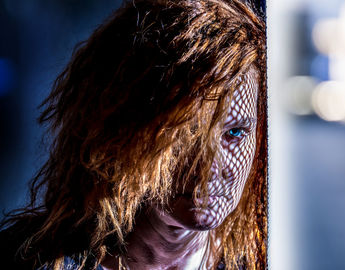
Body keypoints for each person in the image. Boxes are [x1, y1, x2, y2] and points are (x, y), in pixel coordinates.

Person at [0, 0, 267, 269]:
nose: (211, 165)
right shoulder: (37, 260)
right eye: (188, 135)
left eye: (234, 132)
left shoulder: (262, 259)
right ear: (124, 131)